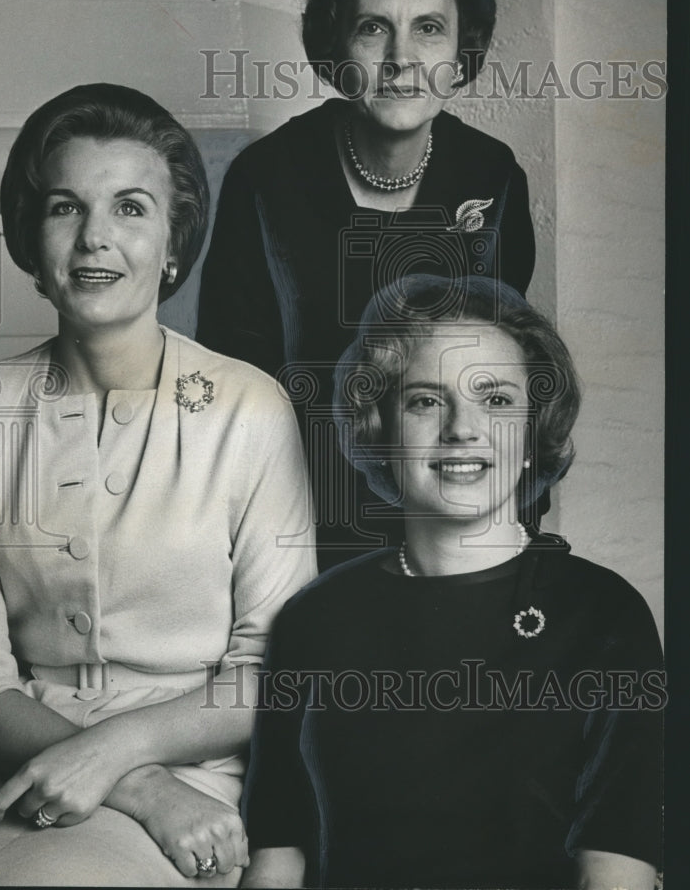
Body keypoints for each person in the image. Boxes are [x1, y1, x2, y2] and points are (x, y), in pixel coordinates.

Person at [0, 83, 316, 887]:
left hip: (199, 776)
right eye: (65, 208)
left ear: (174, 242)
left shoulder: (248, 409)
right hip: (13, 767)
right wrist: (134, 785)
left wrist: (126, 755)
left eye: (131, 208)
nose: (96, 238)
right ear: (32, 238)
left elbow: (270, 669)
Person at [240, 275, 663, 890]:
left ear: (530, 432)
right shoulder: (316, 619)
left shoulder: (604, 615)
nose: (462, 428)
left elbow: (619, 863)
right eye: (426, 401)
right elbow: (279, 856)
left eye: (494, 400)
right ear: (380, 428)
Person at [196, 0, 537, 564]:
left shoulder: (490, 175)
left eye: (429, 28)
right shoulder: (265, 178)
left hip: (452, 525)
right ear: (335, 41)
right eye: (374, 28)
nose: (401, 59)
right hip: (294, 528)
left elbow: (503, 382)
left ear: (461, 47)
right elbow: (229, 388)